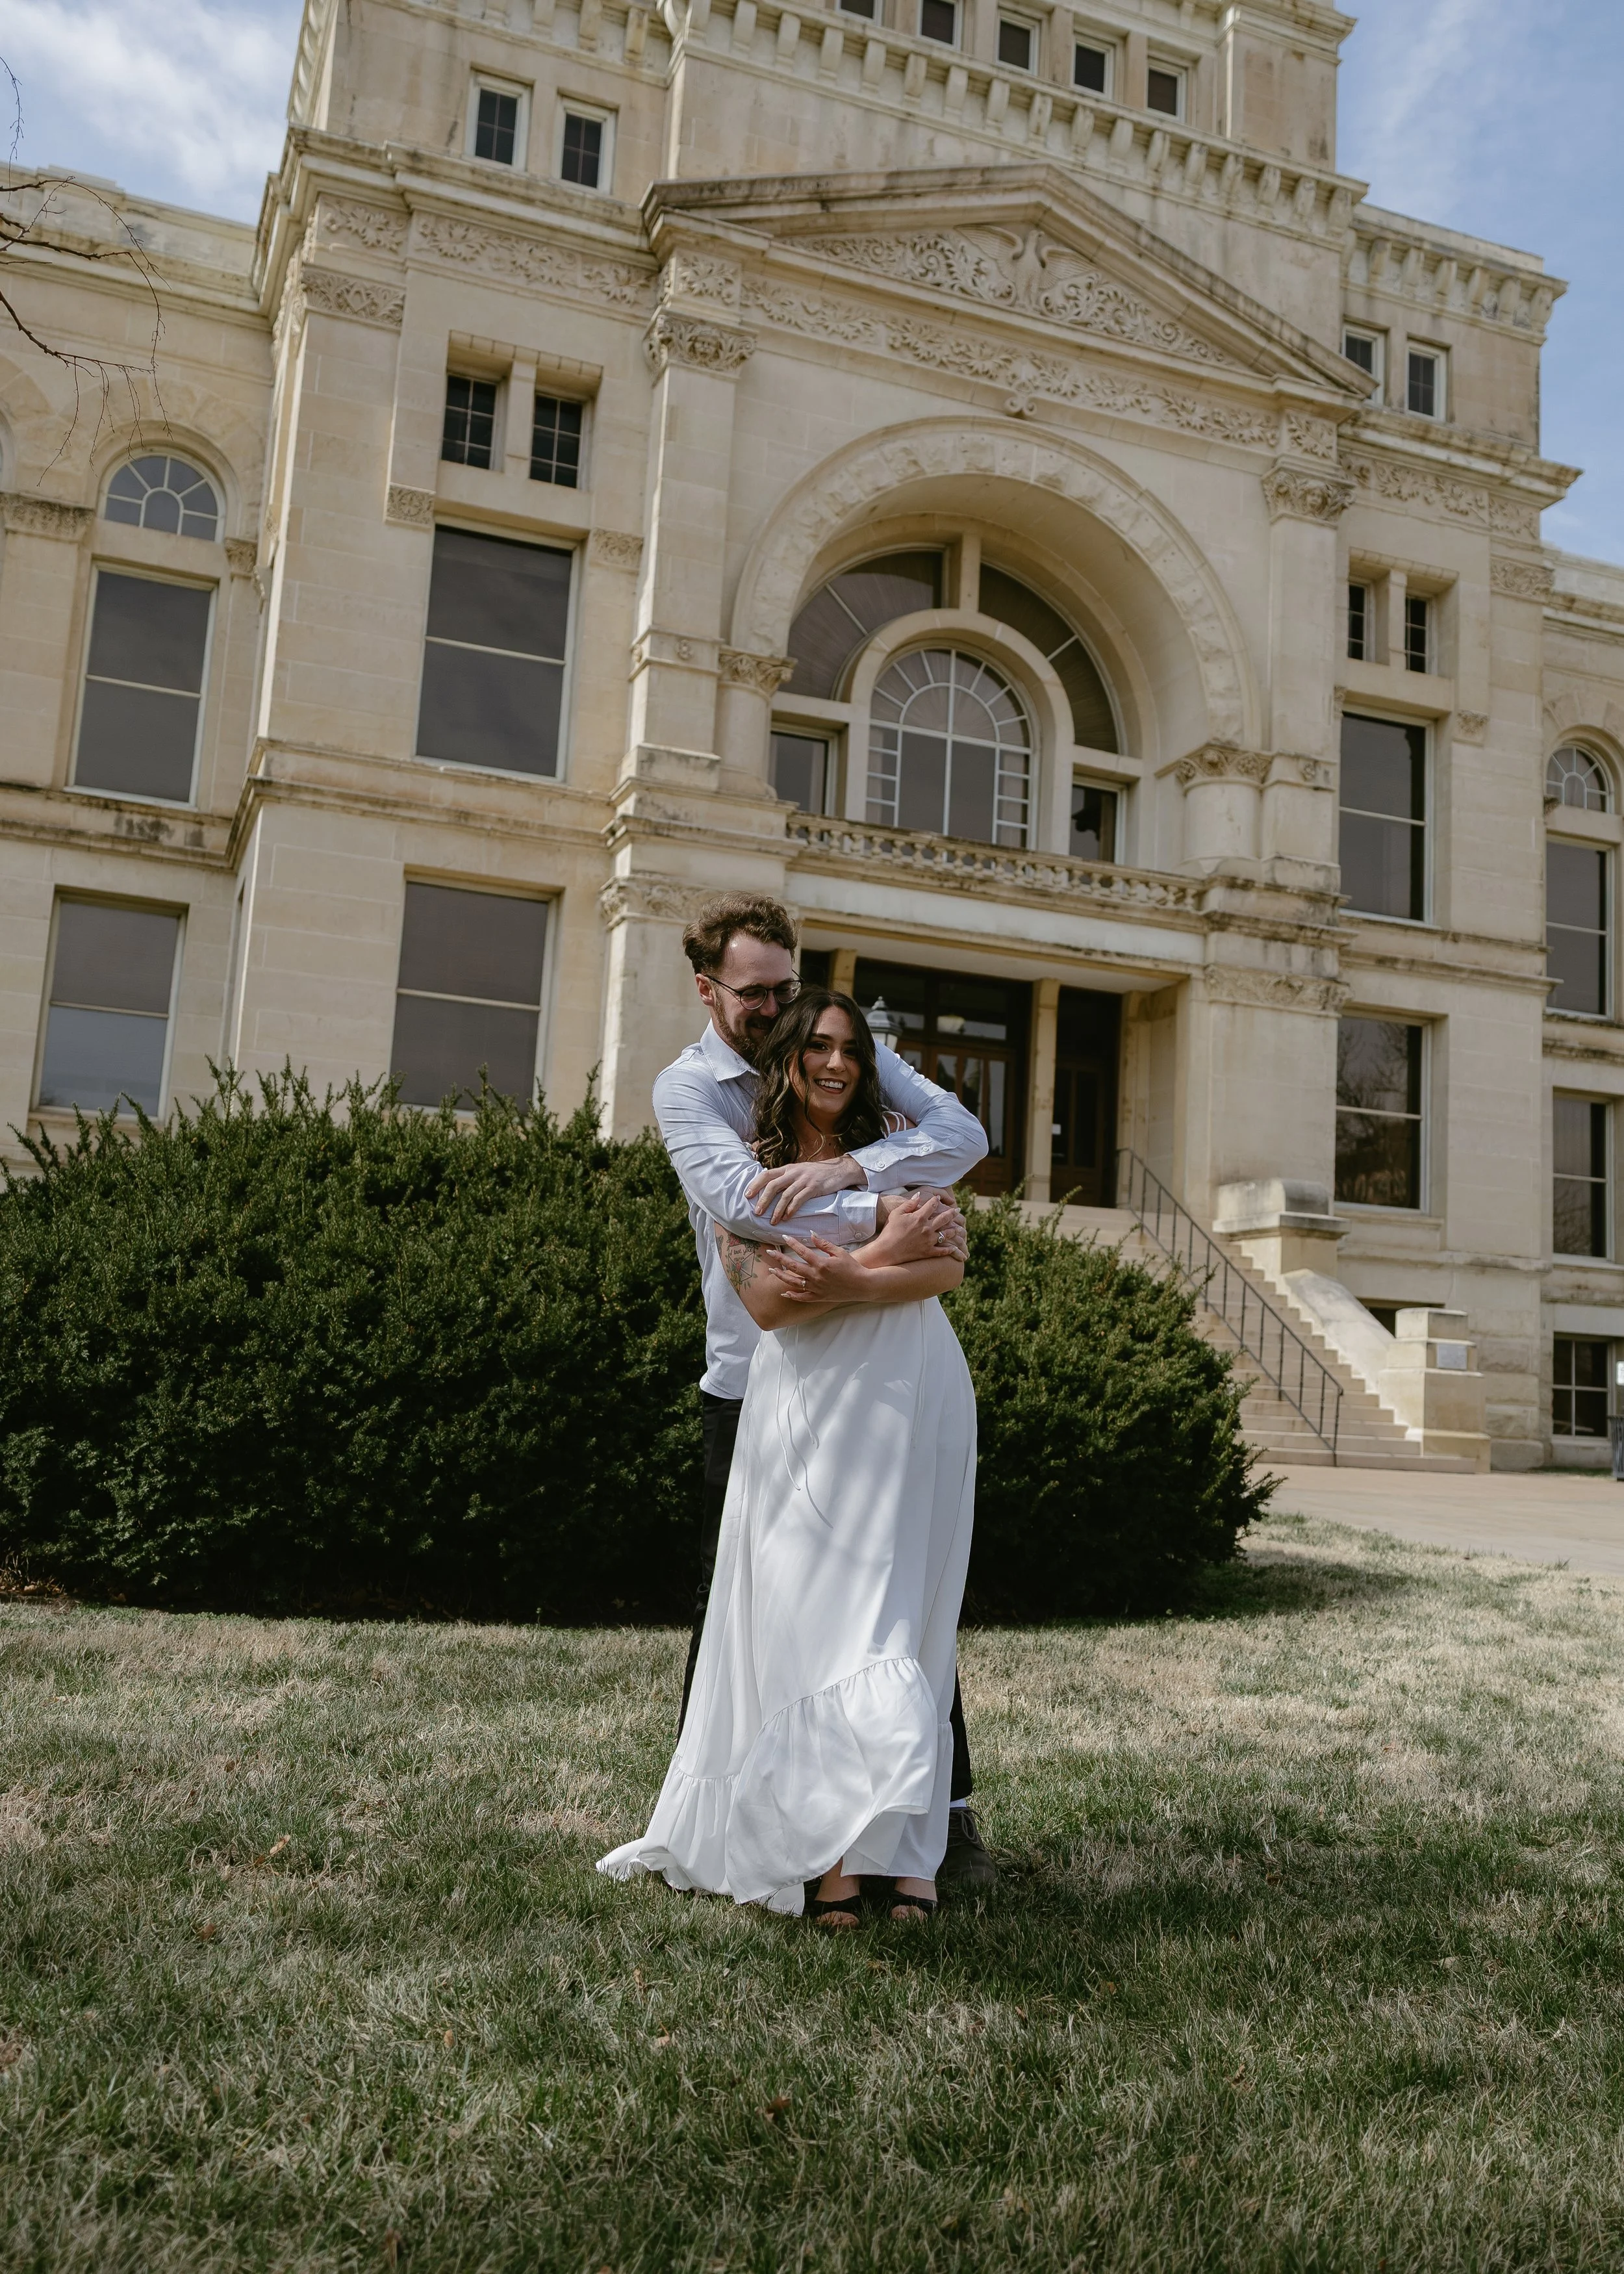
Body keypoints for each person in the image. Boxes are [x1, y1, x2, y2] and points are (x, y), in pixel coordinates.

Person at [634, 893, 995, 1896]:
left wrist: (856, 1170)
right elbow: (747, 1208)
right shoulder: (688, 1091)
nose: (774, 1008)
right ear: (708, 992)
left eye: (785, 986)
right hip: (758, 1380)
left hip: (879, 1381)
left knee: (893, 1599)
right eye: (754, 993)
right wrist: (888, 1223)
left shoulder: (842, 1055)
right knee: (746, 1611)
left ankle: (936, 1820)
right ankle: (736, 1812)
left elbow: (962, 1136)